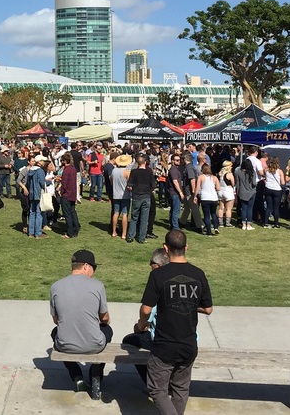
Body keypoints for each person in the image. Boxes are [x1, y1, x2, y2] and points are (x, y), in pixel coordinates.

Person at [136, 229, 213, 415]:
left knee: (157, 389)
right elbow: (208, 309)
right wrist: (188, 302)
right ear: (186, 247)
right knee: (180, 388)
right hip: (188, 343)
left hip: (165, 345)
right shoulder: (198, 274)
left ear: (165, 248)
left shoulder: (158, 276)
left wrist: (141, 324)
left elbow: (146, 309)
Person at [50, 249, 112, 400]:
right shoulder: (97, 286)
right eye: (93, 267)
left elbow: (56, 320)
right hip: (94, 345)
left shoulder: (55, 286)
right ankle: (95, 374)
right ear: (85, 266)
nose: (94, 272)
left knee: (54, 332)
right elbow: (104, 318)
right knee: (108, 330)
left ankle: (76, 376)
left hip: (65, 344)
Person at [122, 248, 170, 385]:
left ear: (158, 265)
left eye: (151, 262)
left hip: (162, 339)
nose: (149, 265)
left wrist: (139, 326)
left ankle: (151, 382)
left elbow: (147, 312)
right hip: (188, 338)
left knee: (129, 341)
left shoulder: (157, 281)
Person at [126, 154, 154, 243]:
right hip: (146, 196)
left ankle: (130, 236)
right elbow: (153, 185)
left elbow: (129, 186)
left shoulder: (134, 172)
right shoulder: (149, 172)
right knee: (144, 219)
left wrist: (133, 191)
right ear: (145, 162)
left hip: (136, 196)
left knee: (134, 217)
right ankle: (142, 238)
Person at [194, 163, 221, 236]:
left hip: (205, 197)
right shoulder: (214, 177)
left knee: (206, 215)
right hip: (214, 198)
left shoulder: (201, 177)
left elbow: (198, 187)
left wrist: (195, 196)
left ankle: (208, 231)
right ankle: (216, 227)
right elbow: (218, 188)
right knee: (214, 213)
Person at [110, 153, 132, 239]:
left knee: (116, 213)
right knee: (125, 214)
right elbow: (130, 184)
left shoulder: (114, 171)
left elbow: (111, 180)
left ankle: (114, 231)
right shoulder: (127, 172)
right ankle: (124, 233)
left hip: (116, 194)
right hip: (125, 195)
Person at [58, 154, 80, 239]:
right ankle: (75, 229)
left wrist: (61, 191)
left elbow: (64, 184)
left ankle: (69, 232)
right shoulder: (73, 169)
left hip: (66, 194)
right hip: (72, 194)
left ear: (64, 161)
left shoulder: (66, 170)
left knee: (67, 214)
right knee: (73, 212)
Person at [263, 156, 286, 228]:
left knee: (268, 207)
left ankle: (265, 223)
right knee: (276, 207)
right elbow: (283, 183)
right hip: (277, 189)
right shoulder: (280, 171)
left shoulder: (266, 170)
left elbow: (265, 178)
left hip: (268, 188)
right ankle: (276, 223)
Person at [217, 161, 236, 228]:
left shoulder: (220, 174)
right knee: (228, 209)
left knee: (221, 208)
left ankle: (220, 222)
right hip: (228, 191)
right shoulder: (229, 174)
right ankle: (227, 223)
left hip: (220, 191)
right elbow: (233, 183)